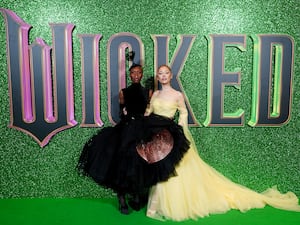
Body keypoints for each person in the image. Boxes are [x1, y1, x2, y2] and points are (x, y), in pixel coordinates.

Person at [144, 64, 300, 221]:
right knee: (157, 166)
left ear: (171, 76)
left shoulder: (177, 95)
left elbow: (184, 112)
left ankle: (155, 207)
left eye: (166, 73)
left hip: (170, 136)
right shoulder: (155, 94)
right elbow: (149, 111)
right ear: (157, 77)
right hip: (154, 135)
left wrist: (180, 126)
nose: (163, 76)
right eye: (160, 73)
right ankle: (157, 205)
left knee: (166, 168)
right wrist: (142, 124)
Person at [77, 63, 190, 215]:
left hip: (142, 128)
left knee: (140, 161)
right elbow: (121, 113)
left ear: (142, 75)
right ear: (130, 75)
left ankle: (136, 195)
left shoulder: (149, 93)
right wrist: (125, 114)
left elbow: (148, 112)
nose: (136, 75)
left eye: (139, 73)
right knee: (120, 161)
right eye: (133, 73)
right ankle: (122, 198)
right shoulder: (124, 92)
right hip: (126, 129)